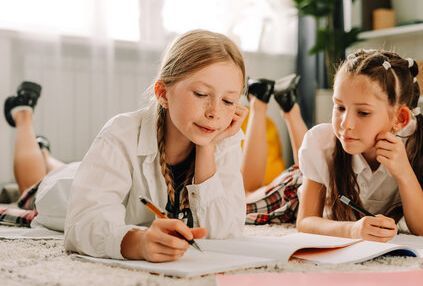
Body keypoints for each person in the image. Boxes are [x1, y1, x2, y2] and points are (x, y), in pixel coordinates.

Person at [3, 30, 249, 262]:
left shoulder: (222, 139)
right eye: (201, 94)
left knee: (61, 164)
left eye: (228, 101)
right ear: (163, 94)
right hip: (63, 191)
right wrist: (138, 242)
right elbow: (83, 225)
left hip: (93, 169)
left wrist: (206, 147)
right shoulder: (120, 133)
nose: (215, 112)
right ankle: (24, 117)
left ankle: (44, 150)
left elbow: (223, 232)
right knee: (32, 183)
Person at [296, 49, 423, 242]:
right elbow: (305, 221)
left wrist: (404, 172)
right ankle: (290, 111)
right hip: (292, 192)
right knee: (262, 199)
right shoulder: (322, 143)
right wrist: (352, 231)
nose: (345, 124)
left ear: (400, 118)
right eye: (340, 107)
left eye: (363, 113)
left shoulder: (416, 145)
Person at [242, 74, 308, 224]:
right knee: (311, 173)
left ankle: (261, 100)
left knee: (243, 198)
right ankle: (285, 105)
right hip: (311, 184)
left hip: (300, 188)